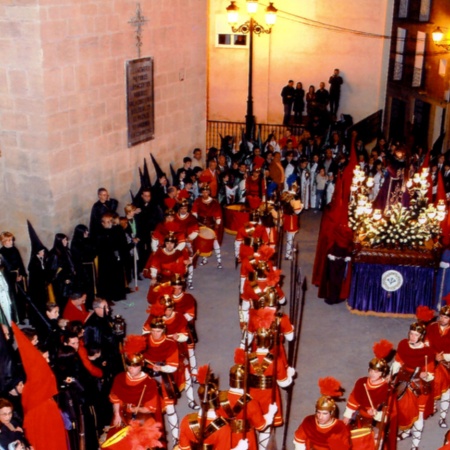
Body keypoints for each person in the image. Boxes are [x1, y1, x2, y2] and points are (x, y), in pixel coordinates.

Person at [342, 340, 397, 450]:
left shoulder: (387, 390)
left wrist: (376, 413)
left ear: (383, 373)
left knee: (377, 443)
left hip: (376, 423)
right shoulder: (361, 382)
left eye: (376, 372)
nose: (372, 374)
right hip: (360, 417)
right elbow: (353, 399)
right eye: (371, 370)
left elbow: (390, 413)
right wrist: (347, 416)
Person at [109, 334, 164, 444]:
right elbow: (115, 398)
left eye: (135, 366)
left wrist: (136, 410)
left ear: (141, 366)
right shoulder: (120, 378)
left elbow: (150, 408)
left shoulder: (149, 383)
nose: (131, 369)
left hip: (142, 418)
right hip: (123, 415)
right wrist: (117, 414)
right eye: (129, 366)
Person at [178, 366, 249, 450]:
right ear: (216, 401)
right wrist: (239, 448)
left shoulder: (186, 420)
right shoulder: (223, 428)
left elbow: (184, 447)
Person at [391, 320, 435, 449]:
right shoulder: (403, 345)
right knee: (402, 411)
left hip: (418, 387)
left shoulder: (427, 352)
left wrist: (426, 375)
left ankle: (415, 444)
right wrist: (391, 375)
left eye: (416, 335)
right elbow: (398, 362)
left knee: (418, 416)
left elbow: (431, 372)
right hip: (403, 380)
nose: (412, 337)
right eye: (411, 333)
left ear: (421, 336)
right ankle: (406, 432)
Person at [293, 378, 351, 450]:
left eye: (324, 413)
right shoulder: (309, 422)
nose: (320, 416)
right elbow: (299, 440)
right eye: (318, 412)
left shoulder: (340, 429)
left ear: (332, 413)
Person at [425, 304, 450, 428]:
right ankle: (432, 406)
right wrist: (434, 356)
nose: (442, 319)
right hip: (432, 359)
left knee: (447, 391)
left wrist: (444, 357)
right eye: (441, 316)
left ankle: (443, 417)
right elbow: (426, 343)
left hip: (448, 363)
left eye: (446, 317)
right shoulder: (432, 327)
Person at [192, 184, 223, 269]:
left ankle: (219, 261)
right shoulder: (198, 201)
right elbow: (194, 212)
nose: (205, 193)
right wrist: (194, 221)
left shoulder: (214, 202)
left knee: (215, 241)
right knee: (203, 242)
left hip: (211, 224)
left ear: (209, 192)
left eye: (207, 192)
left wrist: (217, 223)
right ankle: (204, 259)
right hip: (201, 224)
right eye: (203, 192)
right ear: (201, 192)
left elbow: (218, 214)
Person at [0, 232, 27, 325]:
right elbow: (7, 268)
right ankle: (16, 318)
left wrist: (21, 274)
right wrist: (14, 277)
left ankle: (23, 316)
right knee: (14, 299)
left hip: (18, 276)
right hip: (10, 279)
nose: (12, 242)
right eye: (10, 240)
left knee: (21, 297)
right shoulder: (1, 253)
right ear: (4, 242)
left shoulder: (14, 249)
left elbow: (20, 263)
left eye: (12, 240)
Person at [45, 233, 76, 310]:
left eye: (66, 240)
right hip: (60, 283)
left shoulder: (66, 251)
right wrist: (64, 279)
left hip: (68, 280)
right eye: (64, 240)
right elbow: (53, 271)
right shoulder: (54, 254)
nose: (67, 242)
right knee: (61, 301)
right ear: (59, 241)